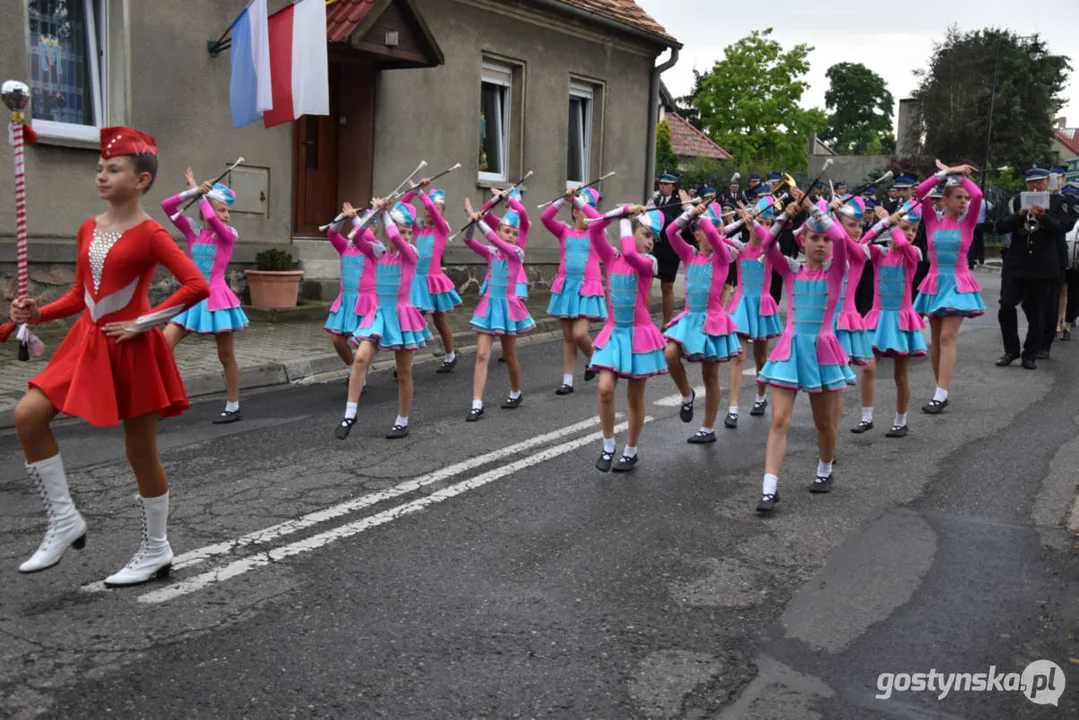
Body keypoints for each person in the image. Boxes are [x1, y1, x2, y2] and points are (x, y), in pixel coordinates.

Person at [10, 126, 210, 585]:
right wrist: (37, 314)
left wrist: (144, 323)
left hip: (133, 348)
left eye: (113, 169)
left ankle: (156, 549)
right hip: (86, 344)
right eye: (99, 168)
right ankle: (64, 521)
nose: (101, 175)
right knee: (28, 416)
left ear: (140, 180)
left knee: (140, 451)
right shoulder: (88, 228)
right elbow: (81, 295)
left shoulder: (152, 233)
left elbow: (197, 285)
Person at [755, 193, 852, 513]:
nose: (822, 243)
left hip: (822, 350)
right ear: (803, 240)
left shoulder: (837, 271)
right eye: (815, 238)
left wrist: (813, 209)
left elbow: (840, 235)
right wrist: (785, 215)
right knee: (779, 419)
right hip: (790, 348)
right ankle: (769, 488)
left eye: (826, 239)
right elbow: (766, 246)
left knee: (823, 422)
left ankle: (825, 469)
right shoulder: (792, 271)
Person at [335, 199, 431, 440]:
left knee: (404, 372)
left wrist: (384, 213)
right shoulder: (378, 252)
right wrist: (356, 217)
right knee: (360, 358)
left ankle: (402, 420)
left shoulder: (411, 254)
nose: (406, 236)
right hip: (379, 315)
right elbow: (358, 237)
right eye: (402, 231)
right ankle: (350, 413)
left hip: (403, 316)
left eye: (410, 232)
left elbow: (396, 240)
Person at [161, 170, 248, 423]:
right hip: (192, 297)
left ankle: (233, 405)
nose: (226, 215)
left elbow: (212, 218)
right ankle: (165, 399)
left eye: (227, 211)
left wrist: (201, 195)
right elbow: (167, 206)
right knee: (163, 344)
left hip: (218, 298)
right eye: (222, 210)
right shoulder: (193, 230)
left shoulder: (228, 235)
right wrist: (192, 191)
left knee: (225, 355)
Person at [587, 205, 668, 472]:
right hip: (615, 331)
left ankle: (631, 450)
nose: (650, 242)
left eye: (653, 238)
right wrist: (620, 210)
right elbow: (595, 226)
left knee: (635, 396)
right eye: (646, 235)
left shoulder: (647, 263)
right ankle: (608, 445)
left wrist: (623, 219)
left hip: (639, 335)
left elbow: (631, 252)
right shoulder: (611, 258)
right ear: (632, 231)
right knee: (605, 389)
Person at [662, 203, 741, 443]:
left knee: (711, 376)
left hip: (713, 320)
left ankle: (708, 428)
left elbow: (716, 237)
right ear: (697, 235)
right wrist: (690, 213)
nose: (716, 236)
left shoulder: (722, 258)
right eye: (709, 232)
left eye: (719, 232)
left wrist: (703, 214)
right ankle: (687, 395)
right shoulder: (689, 255)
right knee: (669, 353)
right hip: (690, 317)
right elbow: (669, 232)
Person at [912, 161, 983, 412]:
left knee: (947, 336)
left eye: (965, 198)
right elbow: (920, 192)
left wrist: (960, 177)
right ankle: (940, 387)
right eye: (958, 198)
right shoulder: (931, 220)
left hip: (957, 283)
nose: (964, 201)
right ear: (944, 200)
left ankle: (940, 394)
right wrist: (945, 173)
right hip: (934, 281)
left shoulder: (968, 223)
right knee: (934, 338)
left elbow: (979, 195)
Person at [463, 192, 535, 420]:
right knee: (482, 355)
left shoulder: (516, 254)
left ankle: (516, 391)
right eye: (507, 231)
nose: (511, 236)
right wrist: (473, 222)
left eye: (515, 233)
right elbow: (468, 240)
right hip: (488, 306)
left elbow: (495, 237)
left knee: (509, 355)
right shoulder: (491, 253)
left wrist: (481, 219)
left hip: (509, 308)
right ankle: (476, 404)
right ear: (500, 230)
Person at [859, 206, 928, 437]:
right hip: (879, 317)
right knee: (868, 368)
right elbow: (863, 242)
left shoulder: (913, 254)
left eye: (913, 230)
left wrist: (894, 224)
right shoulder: (880, 253)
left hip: (902, 319)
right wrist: (884, 223)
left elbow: (905, 245)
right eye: (905, 228)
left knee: (901, 374)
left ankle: (901, 420)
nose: (909, 233)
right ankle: (866, 417)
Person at [725, 196, 791, 428]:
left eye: (766, 223)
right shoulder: (740, 247)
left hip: (762, 304)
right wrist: (741, 221)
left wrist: (753, 223)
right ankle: (732, 409)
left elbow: (768, 240)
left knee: (761, 357)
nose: (762, 227)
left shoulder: (772, 247)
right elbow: (720, 235)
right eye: (759, 222)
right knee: (738, 356)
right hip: (742, 304)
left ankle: (761, 397)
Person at [994, 167, 1067, 369]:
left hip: (1042, 265)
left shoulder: (1058, 202)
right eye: (1031, 183)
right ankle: (1011, 350)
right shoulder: (1016, 201)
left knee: (1037, 313)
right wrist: (1020, 215)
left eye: (1040, 182)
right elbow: (1000, 226)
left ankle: (1030, 354)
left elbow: (1062, 229)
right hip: (1016, 263)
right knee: (1006, 306)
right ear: (1026, 184)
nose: (1035, 186)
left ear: (1047, 183)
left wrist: (1044, 217)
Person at [543, 187, 605, 395]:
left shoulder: (597, 232)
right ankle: (567, 381)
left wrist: (579, 202)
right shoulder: (563, 231)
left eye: (588, 209)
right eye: (581, 210)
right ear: (575, 212)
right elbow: (545, 217)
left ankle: (592, 358)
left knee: (580, 334)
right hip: (567, 288)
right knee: (568, 336)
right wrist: (564, 199)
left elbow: (600, 219)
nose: (587, 214)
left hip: (588, 288)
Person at [400, 182, 463, 373]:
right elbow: (401, 210)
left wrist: (423, 195)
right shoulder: (417, 228)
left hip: (434, 282)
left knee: (439, 322)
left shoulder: (442, 230)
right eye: (427, 208)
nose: (429, 211)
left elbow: (435, 215)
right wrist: (413, 191)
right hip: (416, 282)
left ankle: (450, 355)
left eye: (435, 210)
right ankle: (405, 363)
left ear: (441, 213)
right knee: (412, 321)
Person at [321, 204, 382, 375]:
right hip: (346, 301)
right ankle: (352, 368)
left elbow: (363, 236)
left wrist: (356, 220)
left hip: (366, 301)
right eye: (365, 223)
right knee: (337, 339)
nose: (367, 227)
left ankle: (359, 375)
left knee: (363, 343)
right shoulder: (345, 246)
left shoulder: (374, 248)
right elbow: (331, 233)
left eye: (370, 224)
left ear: (375, 228)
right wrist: (342, 216)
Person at [651, 171, 685, 325]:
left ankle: (666, 323)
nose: (662, 186)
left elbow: (678, 223)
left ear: (673, 186)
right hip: (654, 246)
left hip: (670, 249)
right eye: (660, 183)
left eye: (665, 184)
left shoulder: (679, 203)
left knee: (667, 286)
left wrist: (660, 213)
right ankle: (646, 322)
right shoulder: (655, 200)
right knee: (647, 283)